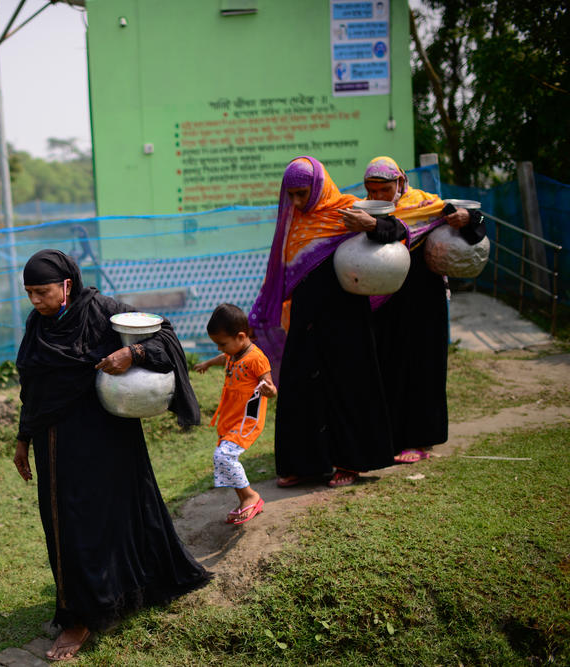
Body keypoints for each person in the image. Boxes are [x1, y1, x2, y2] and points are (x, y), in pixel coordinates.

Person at [13, 249, 210, 661]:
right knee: (69, 525)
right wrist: (23, 438)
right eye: (29, 293)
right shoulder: (38, 325)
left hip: (108, 436)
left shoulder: (102, 310)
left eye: (42, 292)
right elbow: (31, 386)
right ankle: (79, 616)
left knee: (118, 512)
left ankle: (125, 591)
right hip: (57, 444)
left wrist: (132, 354)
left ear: (66, 285)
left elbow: (163, 335)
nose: (35, 301)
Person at [248, 156, 405, 488]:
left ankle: (351, 462)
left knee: (348, 386)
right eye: (291, 195)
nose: (296, 202)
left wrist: (371, 226)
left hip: (346, 317)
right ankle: (303, 465)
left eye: (302, 194)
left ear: (318, 187)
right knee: (299, 388)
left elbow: (399, 230)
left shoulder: (347, 210)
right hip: (306, 321)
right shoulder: (295, 222)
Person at [341, 156, 486, 464]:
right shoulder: (364, 211)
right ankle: (391, 436)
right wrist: (370, 223)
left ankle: (420, 439)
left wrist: (467, 219)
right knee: (387, 365)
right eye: (371, 190)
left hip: (423, 301)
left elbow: (474, 230)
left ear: (401, 182)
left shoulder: (428, 206)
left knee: (423, 367)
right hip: (384, 300)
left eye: (384, 189)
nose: (377, 197)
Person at [194, 303, 277, 525]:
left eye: (222, 344)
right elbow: (224, 358)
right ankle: (245, 500)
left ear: (241, 336)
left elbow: (270, 387)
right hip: (229, 419)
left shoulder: (256, 359)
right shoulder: (233, 353)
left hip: (246, 421)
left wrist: (269, 390)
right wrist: (209, 363)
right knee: (223, 459)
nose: (220, 349)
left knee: (223, 456)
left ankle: (251, 496)